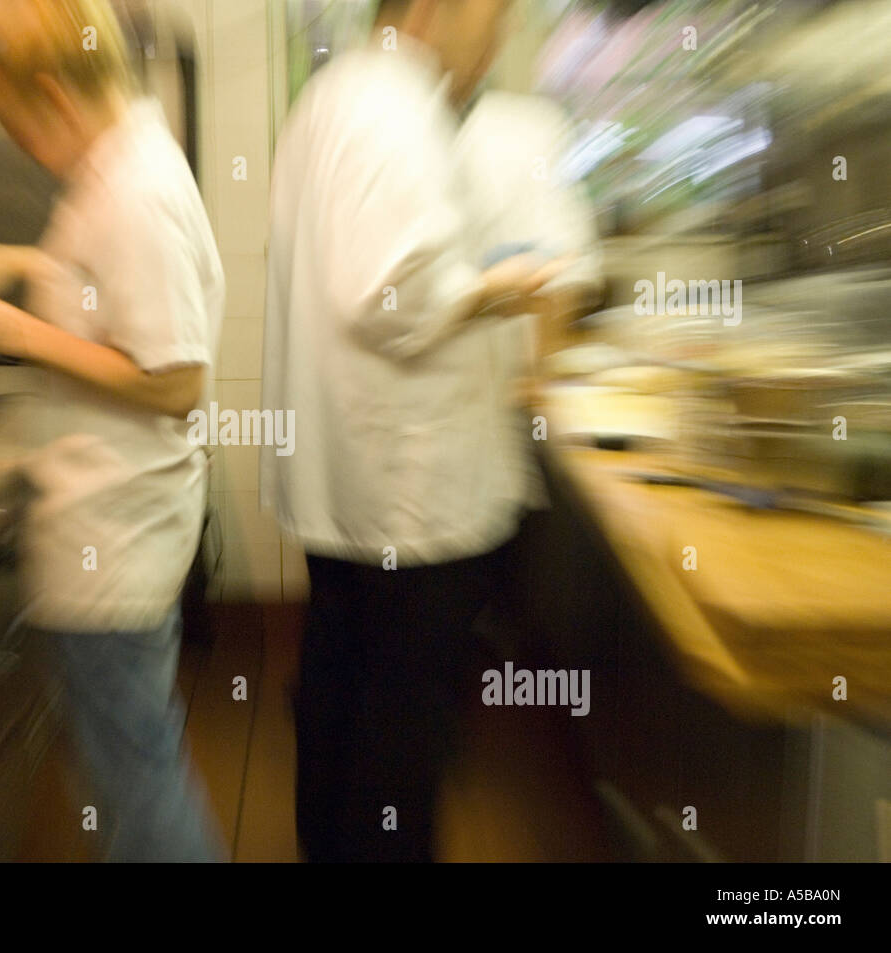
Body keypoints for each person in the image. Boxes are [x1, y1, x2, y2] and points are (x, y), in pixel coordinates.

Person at [0, 0, 226, 862]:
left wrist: (13, 331)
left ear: (49, 94)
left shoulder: (138, 192)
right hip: (108, 537)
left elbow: (175, 380)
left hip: (114, 547)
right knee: (127, 768)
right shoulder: (117, 171)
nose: (10, 140)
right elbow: (97, 284)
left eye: (9, 121)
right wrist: (9, 262)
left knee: (138, 780)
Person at [260, 0, 575, 862]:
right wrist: (509, 282)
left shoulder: (332, 97)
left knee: (338, 711)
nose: (500, 37)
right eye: (499, 15)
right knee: (394, 751)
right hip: (409, 504)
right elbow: (392, 298)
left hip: (349, 491)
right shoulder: (395, 106)